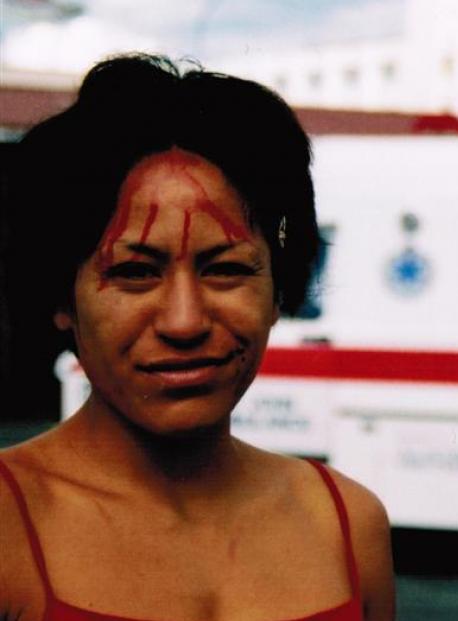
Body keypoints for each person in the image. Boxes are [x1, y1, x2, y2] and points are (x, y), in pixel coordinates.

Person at [0, 54, 395, 621]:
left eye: (227, 269)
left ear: (280, 290)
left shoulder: (348, 525)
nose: (184, 322)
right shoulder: (9, 526)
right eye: (135, 272)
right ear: (62, 299)